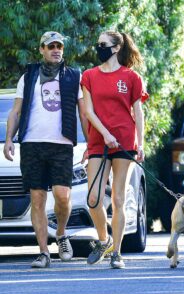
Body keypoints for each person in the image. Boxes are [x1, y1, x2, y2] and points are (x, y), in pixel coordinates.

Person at [3, 31, 87, 268]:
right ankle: (43, 252)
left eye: (59, 46)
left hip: (61, 145)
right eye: (51, 46)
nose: (56, 50)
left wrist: (90, 144)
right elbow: (16, 111)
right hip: (31, 144)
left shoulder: (73, 76)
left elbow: (83, 113)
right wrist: (9, 138)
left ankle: (60, 234)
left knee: (63, 196)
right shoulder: (28, 76)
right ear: (41, 49)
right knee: (37, 198)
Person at [81, 30, 148, 269]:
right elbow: (88, 111)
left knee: (119, 198)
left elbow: (138, 113)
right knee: (93, 198)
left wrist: (140, 143)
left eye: (103, 44)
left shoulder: (131, 77)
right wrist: (105, 133)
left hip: (125, 142)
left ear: (116, 48)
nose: (98, 47)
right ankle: (104, 239)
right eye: (97, 43)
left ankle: (117, 253)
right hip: (99, 141)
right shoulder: (89, 75)